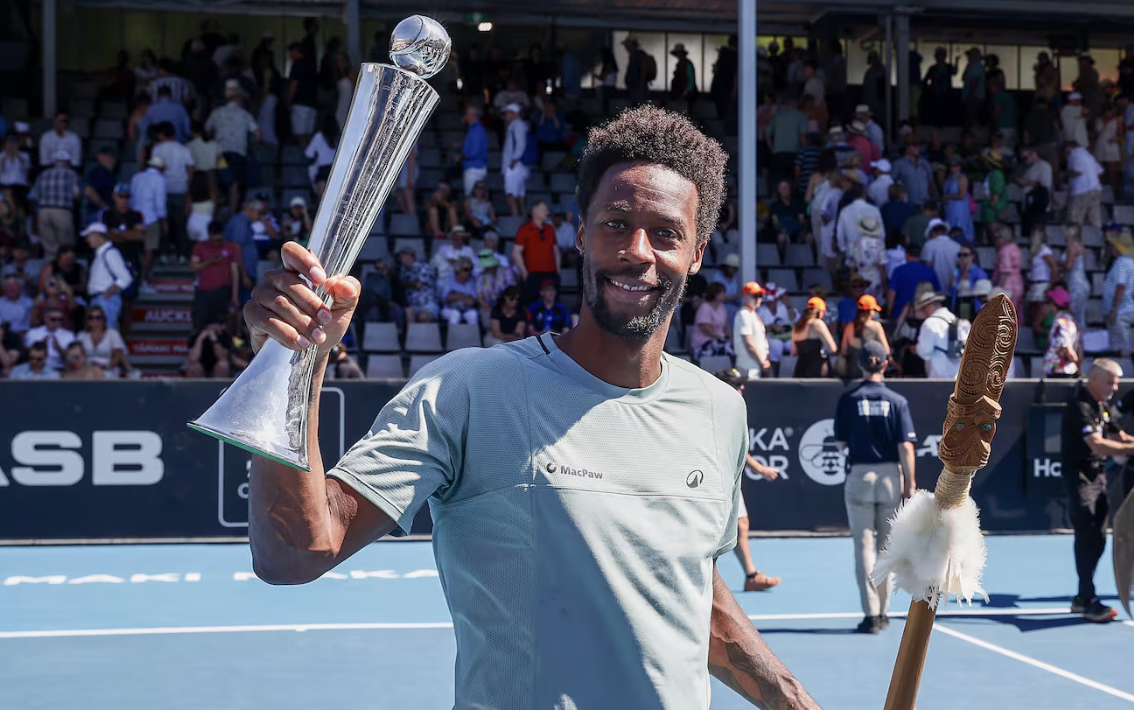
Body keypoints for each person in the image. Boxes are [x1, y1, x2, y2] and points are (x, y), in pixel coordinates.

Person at [241, 105, 820, 709]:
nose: (637, 251)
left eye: (666, 233)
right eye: (615, 223)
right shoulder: (469, 390)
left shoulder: (719, 410)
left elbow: (687, 592)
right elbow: (293, 553)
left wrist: (792, 699)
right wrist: (293, 363)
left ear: (696, 253)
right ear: (580, 233)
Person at [833, 341, 917, 634]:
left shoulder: (848, 399)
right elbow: (905, 446)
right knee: (886, 547)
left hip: (859, 473)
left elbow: (841, 442)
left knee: (864, 546)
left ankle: (870, 614)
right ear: (885, 362)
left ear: (860, 365)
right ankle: (883, 611)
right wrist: (910, 482)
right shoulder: (897, 401)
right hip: (888, 476)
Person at [1059, 359, 1132, 623]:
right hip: (1080, 479)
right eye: (1111, 381)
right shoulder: (1080, 406)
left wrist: (1130, 444)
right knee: (1087, 534)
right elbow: (1097, 444)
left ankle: (1082, 597)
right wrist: (1129, 450)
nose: (1115, 387)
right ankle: (1087, 598)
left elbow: (1118, 435)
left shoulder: (1101, 406)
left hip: (1098, 478)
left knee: (1099, 537)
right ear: (1095, 379)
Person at [714, 367, 783, 592]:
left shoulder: (733, 409)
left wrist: (760, 468)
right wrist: (761, 469)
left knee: (741, 524)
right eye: (737, 385)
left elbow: (740, 449)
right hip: (713, 478)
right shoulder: (716, 408)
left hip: (729, 478)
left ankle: (751, 576)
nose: (742, 388)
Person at [914, 290, 970, 380]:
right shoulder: (962, 323)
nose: (924, 313)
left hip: (938, 379)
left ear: (929, 306)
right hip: (960, 379)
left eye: (924, 309)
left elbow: (923, 352)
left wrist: (915, 349)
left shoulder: (930, 323)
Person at [791, 296, 838, 377]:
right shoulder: (817, 323)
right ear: (819, 312)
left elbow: (794, 352)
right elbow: (832, 348)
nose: (825, 314)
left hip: (800, 369)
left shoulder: (797, 326)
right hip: (818, 369)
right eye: (824, 312)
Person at [733, 281, 770, 381]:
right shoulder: (743, 314)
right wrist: (763, 363)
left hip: (756, 367)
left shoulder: (752, 314)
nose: (758, 299)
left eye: (760, 295)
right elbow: (749, 344)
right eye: (755, 295)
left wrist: (766, 360)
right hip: (747, 368)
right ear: (745, 296)